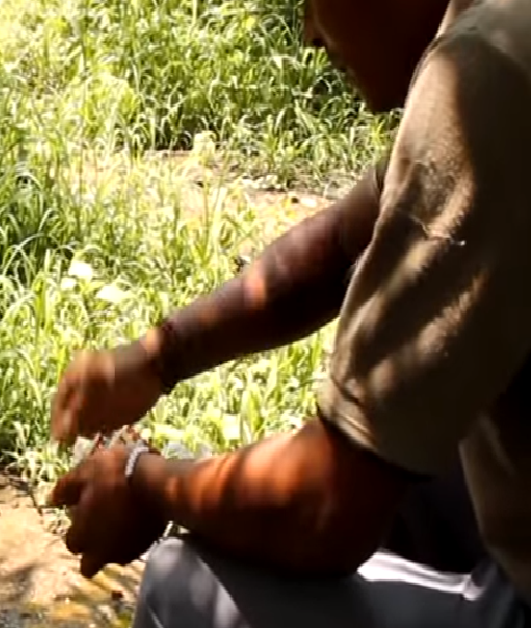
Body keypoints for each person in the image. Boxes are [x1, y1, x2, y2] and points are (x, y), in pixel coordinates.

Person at [47, 0, 531, 626]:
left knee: (184, 587)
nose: (310, 35)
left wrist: (144, 480)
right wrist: (157, 356)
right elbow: (339, 246)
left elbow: (324, 508)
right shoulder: (500, 23)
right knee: (414, 459)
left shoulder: (488, 69)